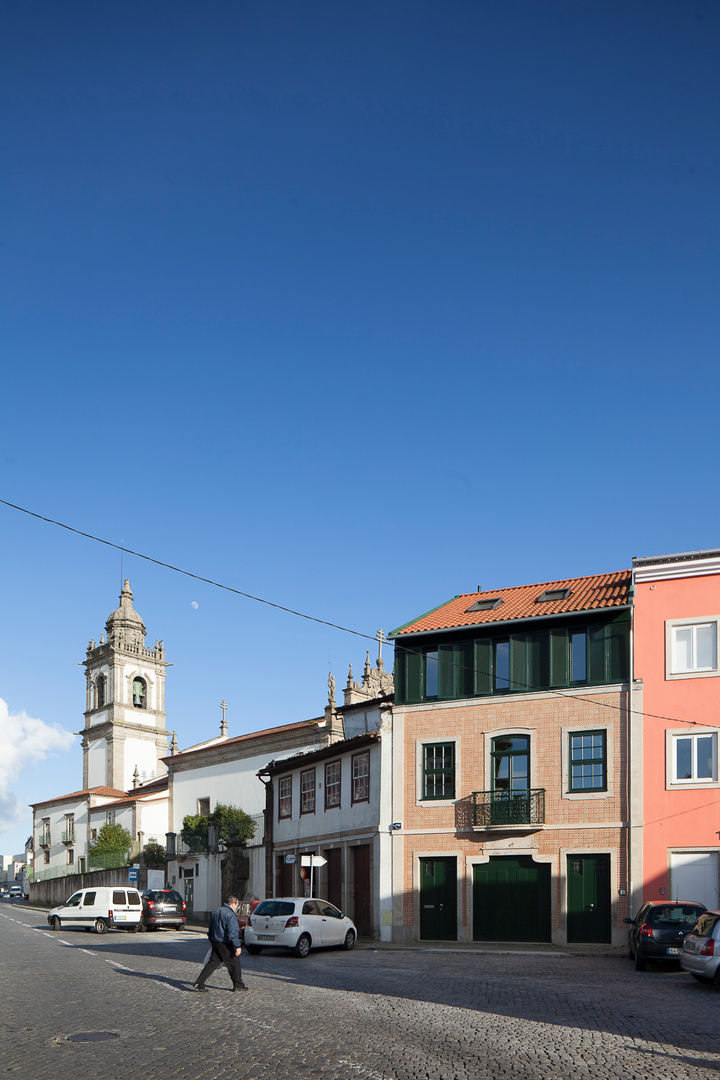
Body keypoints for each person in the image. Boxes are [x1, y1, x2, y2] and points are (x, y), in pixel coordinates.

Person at [192, 895, 248, 992]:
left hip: (216, 942)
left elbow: (210, 928)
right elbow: (233, 932)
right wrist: (237, 945)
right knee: (234, 964)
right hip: (225, 943)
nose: (236, 907)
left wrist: (211, 939)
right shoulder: (230, 915)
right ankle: (238, 985)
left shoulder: (216, 912)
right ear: (233, 904)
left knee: (212, 963)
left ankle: (199, 982)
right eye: (237, 905)